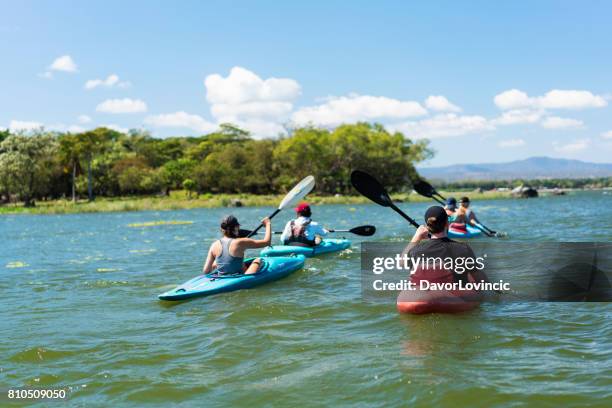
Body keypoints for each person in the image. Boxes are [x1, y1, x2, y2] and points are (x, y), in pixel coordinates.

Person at [202, 215, 271, 275]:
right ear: (236, 227)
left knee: (239, 263)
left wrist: (218, 263)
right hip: (240, 277)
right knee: (258, 260)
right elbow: (267, 242)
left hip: (221, 277)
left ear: (222, 229)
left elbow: (206, 271)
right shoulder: (241, 242)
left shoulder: (214, 245)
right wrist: (268, 224)